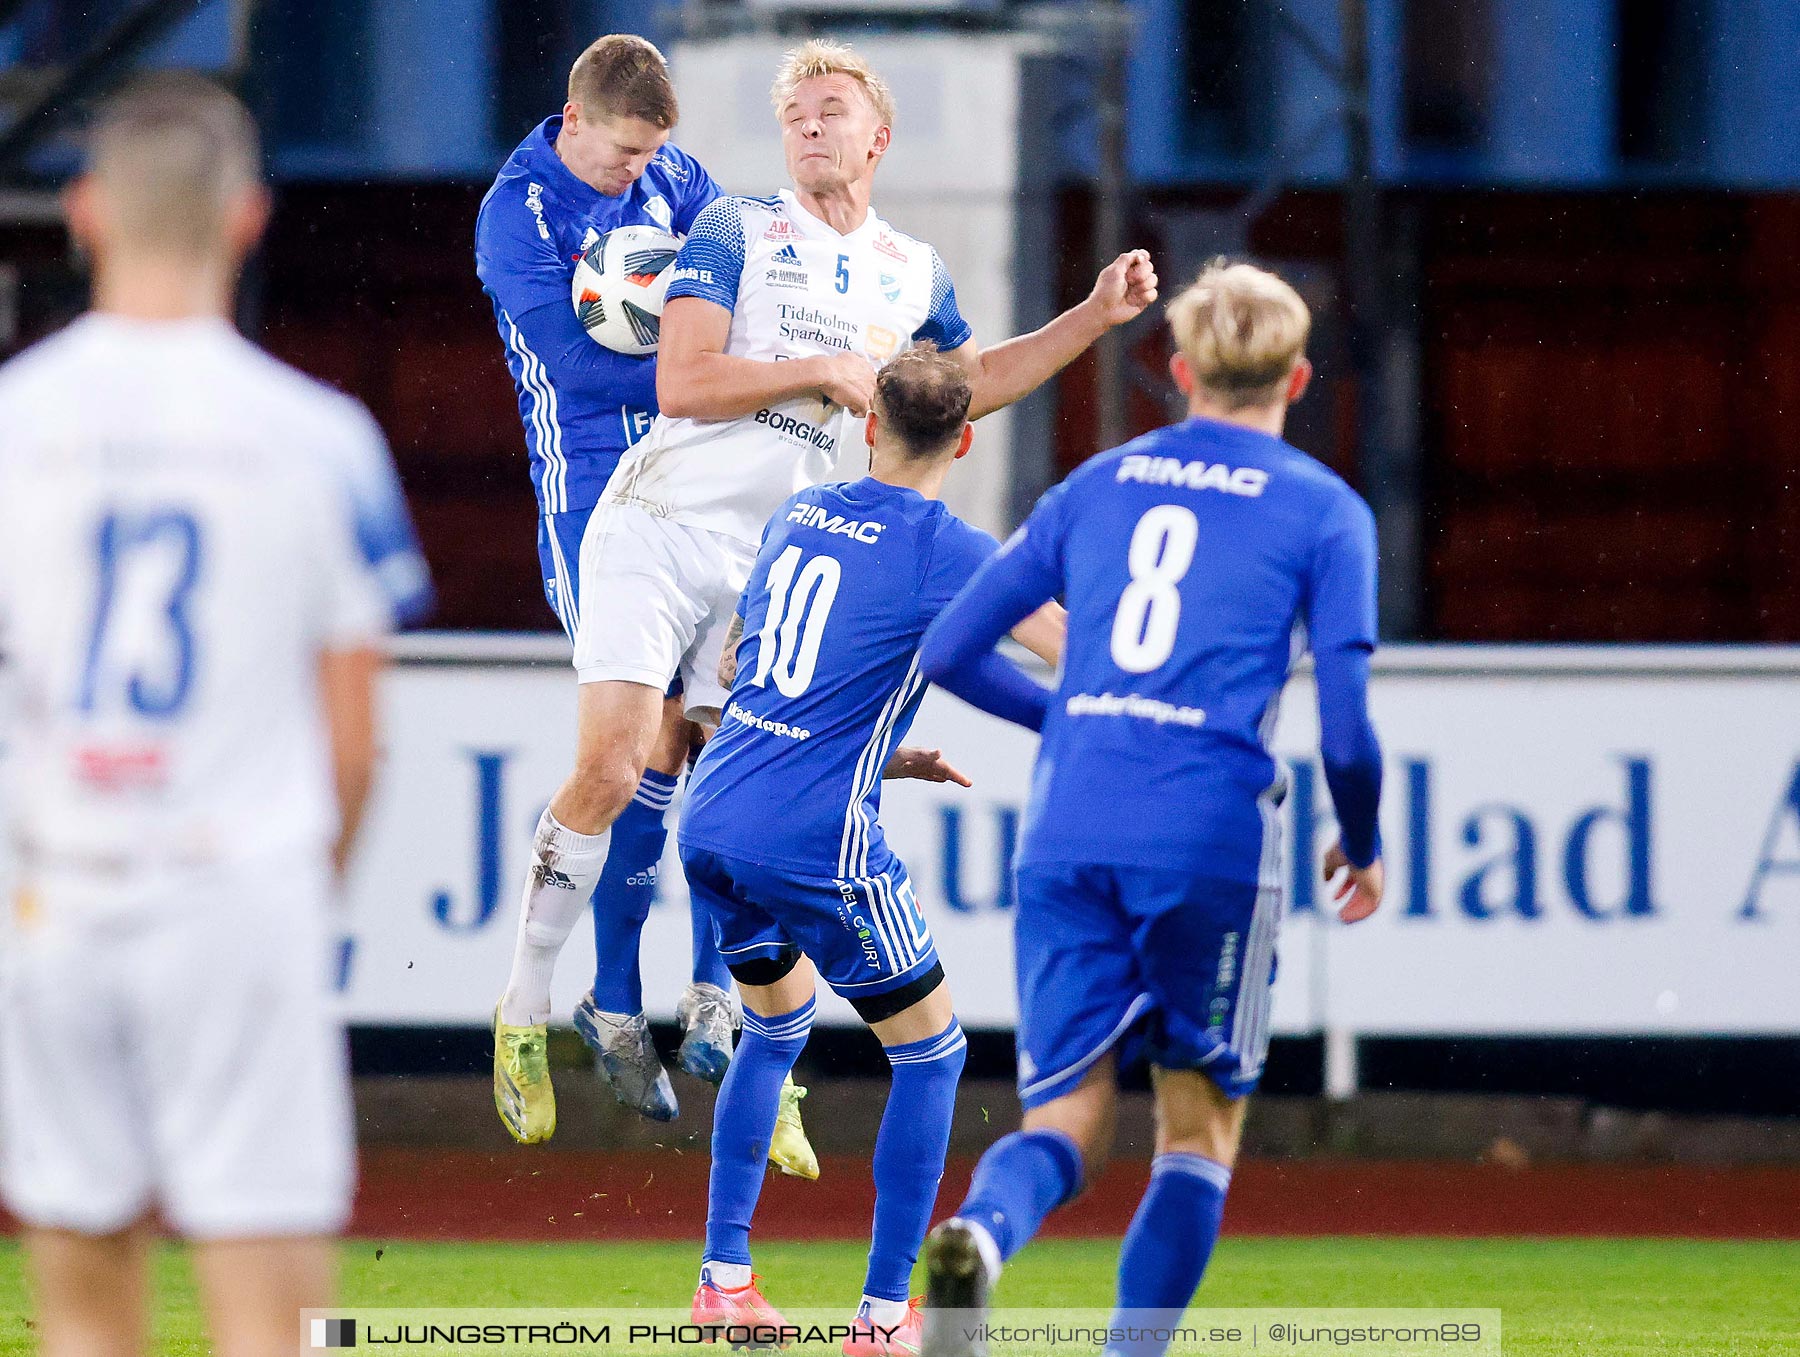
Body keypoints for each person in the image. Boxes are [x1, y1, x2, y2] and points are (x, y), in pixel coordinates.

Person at [526, 30, 1154, 1189]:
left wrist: (1092, 318)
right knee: (620, 769)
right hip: (666, 521)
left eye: (830, 107)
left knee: (733, 785)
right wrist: (818, 373)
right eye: (795, 111)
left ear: (879, 133)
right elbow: (683, 381)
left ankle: (735, 1058)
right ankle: (538, 1001)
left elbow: (973, 381)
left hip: (774, 567)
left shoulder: (912, 271)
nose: (809, 123)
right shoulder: (736, 229)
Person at [0, 75, 432, 1357]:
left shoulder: (14, 420)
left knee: (81, 1300)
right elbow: (356, 738)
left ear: (83, 212)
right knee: (269, 1309)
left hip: (55, 889)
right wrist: (304, 890)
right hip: (235, 890)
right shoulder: (318, 436)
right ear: (248, 217)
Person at [914, 261, 1387, 1357]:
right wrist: (1360, 843)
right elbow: (1351, 728)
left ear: (1178, 371)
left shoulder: (1095, 484)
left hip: (1072, 822)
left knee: (1066, 1122)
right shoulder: (1327, 511)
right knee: (1198, 1130)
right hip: (1208, 838)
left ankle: (977, 1242)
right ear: (1300, 378)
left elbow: (947, 648)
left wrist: (1077, 721)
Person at [679, 348, 1064, 1354]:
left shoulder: (798, 515)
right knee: (933, 1053)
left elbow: (767, 681)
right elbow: (1051, 653)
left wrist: (886, 756)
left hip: (714, 811)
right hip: (815, 838)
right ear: (967, 438)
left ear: (868, 425)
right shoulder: (950, 546)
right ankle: (886, 1318)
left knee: (777, 1021)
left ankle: (724, 1281)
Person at [475, 34, 815, 1171]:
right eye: (621, 156)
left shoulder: (680, 179)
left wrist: (736, 359)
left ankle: (715, 1003)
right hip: (594, 497)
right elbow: (576, 367)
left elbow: (746, 283)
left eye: (649, 157)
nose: (636, 175)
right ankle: (561, 1000)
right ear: (574, 122)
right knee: (626, 759)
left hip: (709, 489)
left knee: (722, 742)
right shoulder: (517, 215)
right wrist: (703, 366)